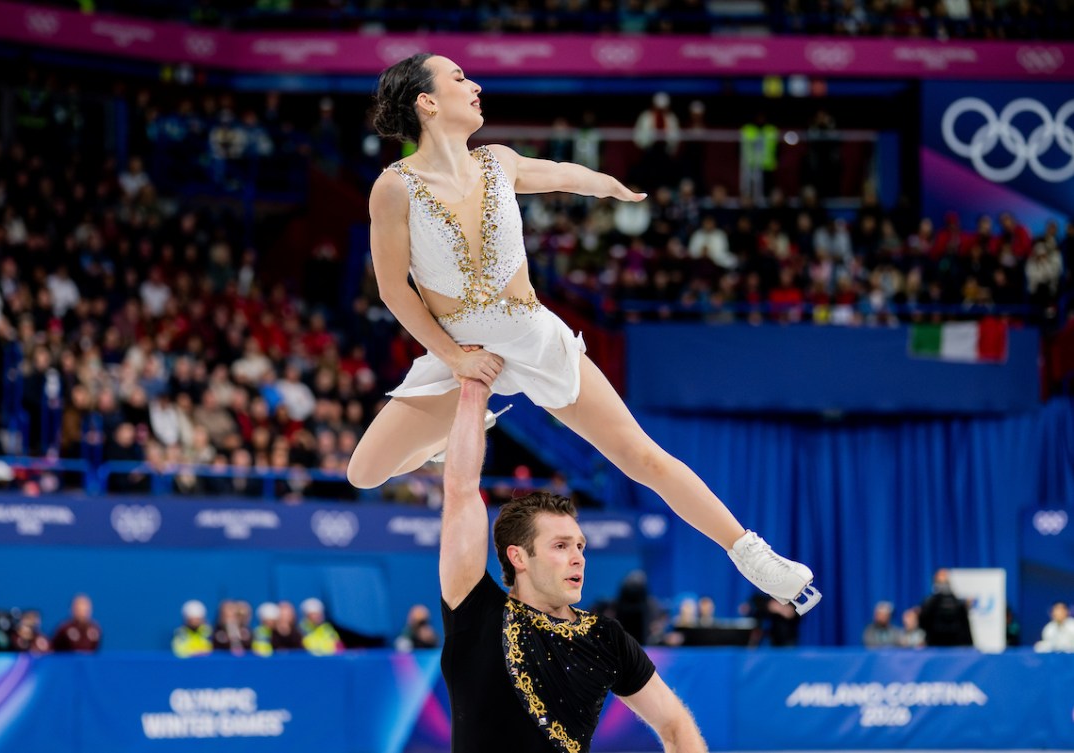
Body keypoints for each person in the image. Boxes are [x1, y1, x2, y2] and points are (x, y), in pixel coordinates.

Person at [346, 52, 820, 616]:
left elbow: (560, 175)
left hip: (531, 337)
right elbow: (394, 290)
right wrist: (454, 359)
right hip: (462, 353)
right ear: (426, 102)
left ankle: (755, 556)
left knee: (640, 455)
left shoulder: (498, 161)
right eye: (458, 78)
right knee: (366, 471)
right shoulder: (393, 187)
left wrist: (608, 186)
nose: (474, 84)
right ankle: (448, 435)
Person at [437, 376, 707, 752]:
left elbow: (675, 724)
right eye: (561, 545)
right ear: (519, 557)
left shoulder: (606, 639)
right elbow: (462, 488)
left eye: (580, 545)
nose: (578, 555)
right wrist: (474, 385)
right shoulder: (476, 611)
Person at [918, 569, 973, 647]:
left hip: (956, 646)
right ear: (935, 582)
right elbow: (923, 623)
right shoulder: (930, 603)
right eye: (940, 582)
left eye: (945, 582)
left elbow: (965, 628)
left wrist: (969, 646)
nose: (943, 586)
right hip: (935, 644)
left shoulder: (958, 604)